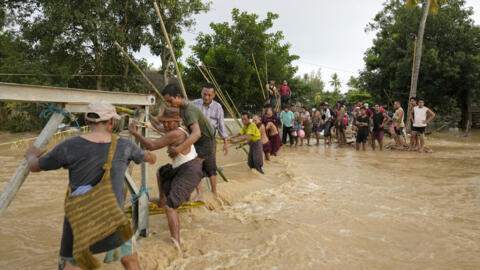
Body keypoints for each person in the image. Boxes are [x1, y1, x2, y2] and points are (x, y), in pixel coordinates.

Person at [25, 100, 156, 270]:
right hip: (113, 217)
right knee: (130, 260)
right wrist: (151, 156)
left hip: (79, 219)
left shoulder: (68, 146)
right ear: (111, 122)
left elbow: (35, 167)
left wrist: (30, 155)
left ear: (87, 122)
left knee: (71, 265)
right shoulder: (125, 146)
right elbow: (147, 157)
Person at [129, 107, 203, 247]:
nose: (166, 125)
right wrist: (147, 114)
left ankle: (176, 242)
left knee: (170, 208)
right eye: (165, 122)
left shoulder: (175, 134)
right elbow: (157, 126)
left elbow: (151, 145)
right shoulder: (174, 129)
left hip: (190, 170)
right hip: (182, 168)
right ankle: (163, 200)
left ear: (177, 121)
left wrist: (134, 133)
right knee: (162, 172)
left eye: (169, 122)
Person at [152, 83, 215, 162]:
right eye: (167, 102)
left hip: (205, 144)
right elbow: (163, 127)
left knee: (193, 169)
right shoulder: (181, 109)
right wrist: (149, 117)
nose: (169, 104)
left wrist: (178, 149)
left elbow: (196, 133)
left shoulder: (189, 111)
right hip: (197, 142)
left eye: (170, 101)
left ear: (178, 96)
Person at [191, 83, 228, 198]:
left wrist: (225, 142)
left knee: (211, 167)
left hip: (210, 141)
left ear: (214, 95)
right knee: (196, 167)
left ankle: (214, 192)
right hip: (196, 140)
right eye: (204, 94)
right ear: (201, 93)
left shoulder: (218, 107)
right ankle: (199, 194)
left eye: (209, 95)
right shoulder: (193, 105)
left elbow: (221, 126)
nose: (206, 97)